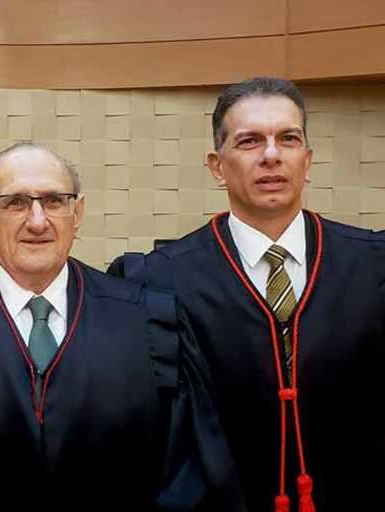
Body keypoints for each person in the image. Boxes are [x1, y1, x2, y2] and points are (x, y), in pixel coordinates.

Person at [0, 142, 244, 511]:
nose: (38, 221)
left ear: (77, 214)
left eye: (55, 201)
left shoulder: (149, 321)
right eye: (16, 203)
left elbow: (189, 478)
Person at [108, 77, 385, 511]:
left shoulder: (374, 266)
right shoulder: (156, 283)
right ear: (217, 166)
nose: (271, 155)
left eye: (288, 139)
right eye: (250, 141)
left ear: (307, 160)